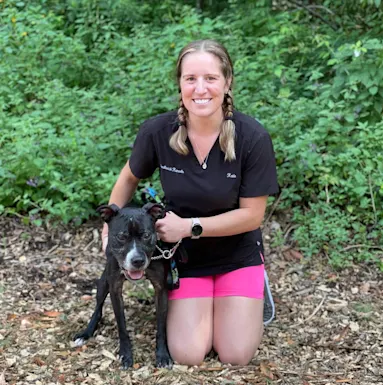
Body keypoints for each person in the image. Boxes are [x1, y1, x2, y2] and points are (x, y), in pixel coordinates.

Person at [102, 39, 279, 366]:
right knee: (188, 354)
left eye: (210, 78)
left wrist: (189, 227)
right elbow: (128, 178)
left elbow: (253, 216)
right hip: (182, 256)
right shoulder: (158, 131)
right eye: (190, 79)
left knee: (235, 355)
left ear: (227, 83)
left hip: (236, 252)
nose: (200, 88)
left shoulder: (252, 137)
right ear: (180, 84)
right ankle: (210, 304)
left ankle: (253, 287)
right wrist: (108, 227)